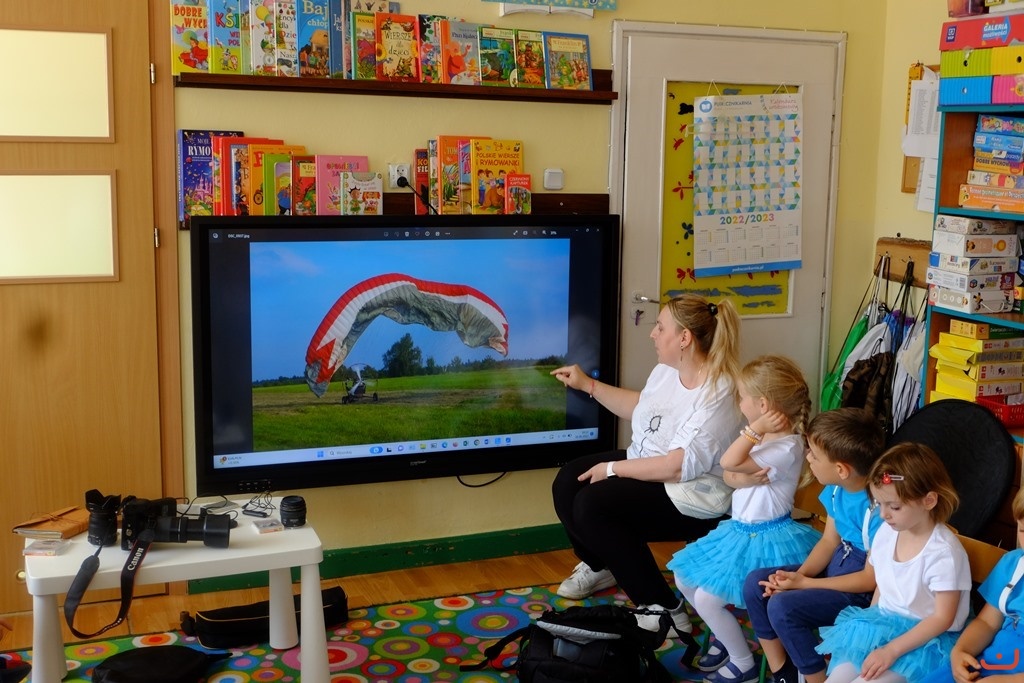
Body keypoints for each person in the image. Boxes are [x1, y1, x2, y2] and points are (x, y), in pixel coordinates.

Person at [549, 293, 745, 640]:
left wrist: (612, 469)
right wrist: (587, 385)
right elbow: (645, 408)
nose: (653, 334)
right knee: (568, 482)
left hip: (691, 493)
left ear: (684, 338)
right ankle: (602, 565)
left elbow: (676, 467)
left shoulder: (718, 391)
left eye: (660, 327)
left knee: (593, 505)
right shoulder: (667, 370)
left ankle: (665, 610)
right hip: (650, 466)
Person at [667, 355, 822, 682]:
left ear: (763, 405)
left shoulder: (786, 447)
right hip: (739, 532)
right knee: (683, 577)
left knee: (708, 598)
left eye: (742, 396)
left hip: (767, 540)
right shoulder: (763, 439)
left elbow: (729, 462)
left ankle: (743, 662)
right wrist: (739, 474)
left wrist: (752, 433)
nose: (739, 402)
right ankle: (727, 637)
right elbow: (729, 473)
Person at [741, 407, 886, 683]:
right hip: (835, 569)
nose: (807, 457)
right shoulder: (836, 489)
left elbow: (870, 580)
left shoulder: (879, 510)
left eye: (814, 455)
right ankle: (783, 672)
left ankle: (814, 678)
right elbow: (829, 541)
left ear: (841, 469)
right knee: (756, 584)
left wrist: (804, 584)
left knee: (782, 607)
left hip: (858, 593)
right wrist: (796, 577)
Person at [816, 442, 971, 683]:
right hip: (884, 626)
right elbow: (884, 585)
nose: (883, 515)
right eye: (879, 504)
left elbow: (943, 618)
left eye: (895, 507)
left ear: (929, 501)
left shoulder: (944, 553)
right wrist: (870, 631)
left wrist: (890, 650)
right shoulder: (887, 532)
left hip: (925, 642)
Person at [920, 488, 1024, 683]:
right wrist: (961, 651)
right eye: (1023, 530)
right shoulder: (1013, 564)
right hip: (987, 666)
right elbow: (987, 623)